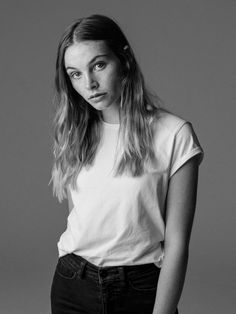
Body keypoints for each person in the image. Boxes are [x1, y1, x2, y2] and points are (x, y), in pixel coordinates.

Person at [49, 14, 204, 314]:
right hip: (73, 283)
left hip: (140, 289)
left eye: (99, 65)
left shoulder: (174, 135)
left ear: (125, 60)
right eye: (75, 74)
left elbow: (177, 243)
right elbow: (80, 218)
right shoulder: (74, 132)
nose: (89, 83)